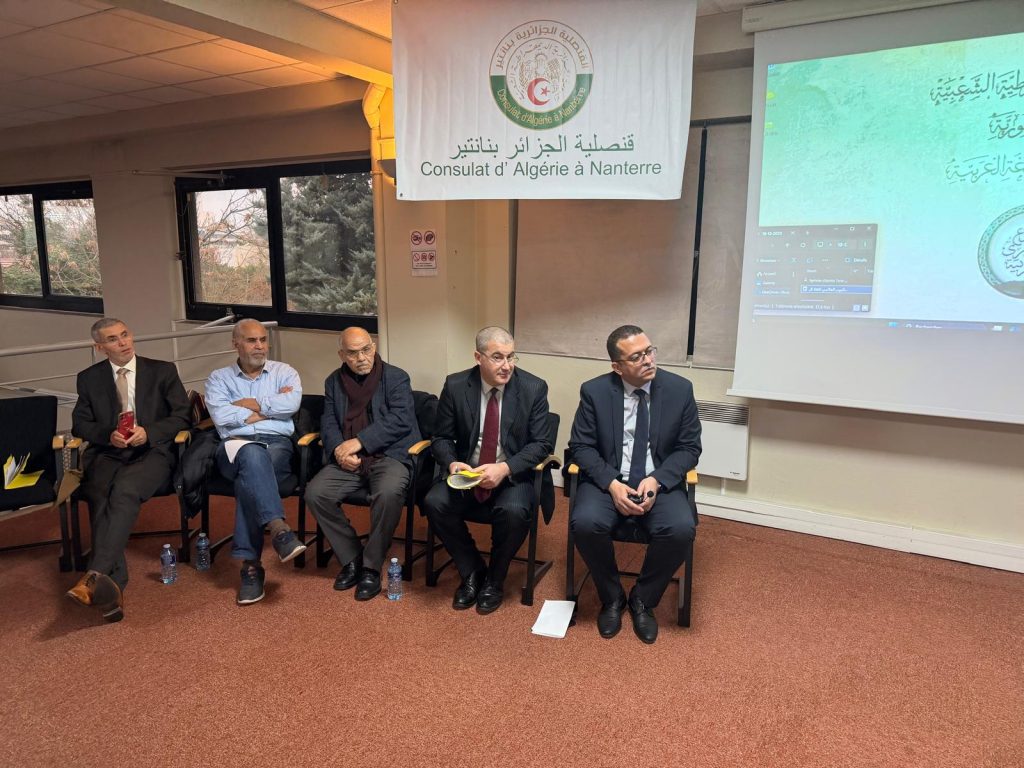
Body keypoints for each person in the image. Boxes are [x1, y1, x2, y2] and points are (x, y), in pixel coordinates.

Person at [568, 325, 701, 644]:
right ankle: (612, 596)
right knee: (584, 523)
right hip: (609, 480)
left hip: (658, 479)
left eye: (650, 351)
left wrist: (657, 480)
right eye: (637, 356)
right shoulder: (595, 391)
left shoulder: (680, 389)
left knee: (681, 529)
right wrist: (611, 484)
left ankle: (643, 598)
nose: (648, 360)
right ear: (617, 366)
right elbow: (581, 447)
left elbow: (689, 448)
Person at [66, 318, 190, 622]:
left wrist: (149, 432)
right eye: (113, 339)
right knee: (99, 494)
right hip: (109, 452)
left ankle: (95, 575)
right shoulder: (89, 378)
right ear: (100, 347)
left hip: (153, 451)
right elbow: (80, 424)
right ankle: (112, 589)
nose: (123, 343)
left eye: (125, 335)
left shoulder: (162, 371)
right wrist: (108, 435)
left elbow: (183, 416)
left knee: (124, 490)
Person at [424, 326, 552, 614]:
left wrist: (504, 468)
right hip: (469, 473)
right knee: (434, 502)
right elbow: (441, 437)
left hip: (511, 474)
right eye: (497, 357)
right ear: (478, 357)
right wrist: (452, 463)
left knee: (513, 511)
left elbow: (541, 444)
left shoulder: (533, 388)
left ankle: (494, 579)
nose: (507, 365)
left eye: (511, 356)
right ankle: (471, 569)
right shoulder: (456, 385)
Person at [304, 327, 421, 601]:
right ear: (341, 355)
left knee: (388, 492)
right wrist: (338, 450)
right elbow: (329, 422)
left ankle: (370, 567)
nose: (361, 358)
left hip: (390, 455)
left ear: (374, 346)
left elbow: (401, 420)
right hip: (350, 460)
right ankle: (351, 557)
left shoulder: (396, 377)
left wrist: (359, 442)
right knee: (316, 493)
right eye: (353, 353)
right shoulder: (334, 382)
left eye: (366, 349)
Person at [205, 318, 306, 605]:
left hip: (277, 445)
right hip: (234, 447)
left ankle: (251, 567)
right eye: (251, 340)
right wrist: (271, 407)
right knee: (251, 454)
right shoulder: (218, 378)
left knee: (248, 480)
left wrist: (247, 405)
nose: (259, 346)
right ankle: (279, 529)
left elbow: (291, 405)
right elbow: (221, 416)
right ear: (235, 344)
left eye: (263, 340)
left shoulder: (285, 372)